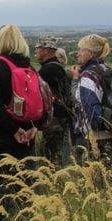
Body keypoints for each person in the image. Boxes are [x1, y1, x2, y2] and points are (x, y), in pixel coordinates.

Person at [0, 25, 39, 195]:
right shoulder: (30, 67)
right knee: (26, 181)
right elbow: (38, 102)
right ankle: (29, 217)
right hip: (28, 133)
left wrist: (14, 130)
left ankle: (6, 220)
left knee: (4, 182)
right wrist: (34, 126)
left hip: (2, 135)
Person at [74, 34, 112, 164]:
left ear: (91, 53)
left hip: (95, 136)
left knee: (94, 177)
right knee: (109, 175)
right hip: (110, 131)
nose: (78, 53)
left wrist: (93, 135)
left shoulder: (88, 76)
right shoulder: (105, 69)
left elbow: (92, 110)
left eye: (81, 49)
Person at [35, 36, 73, 166]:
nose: (36, 51)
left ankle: (55, 181)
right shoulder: (59, 67)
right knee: (61, 153)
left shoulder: (48, 70)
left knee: (51, 157)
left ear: (46, 50)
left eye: (38, 48)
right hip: (63, 117)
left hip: (55, 120)